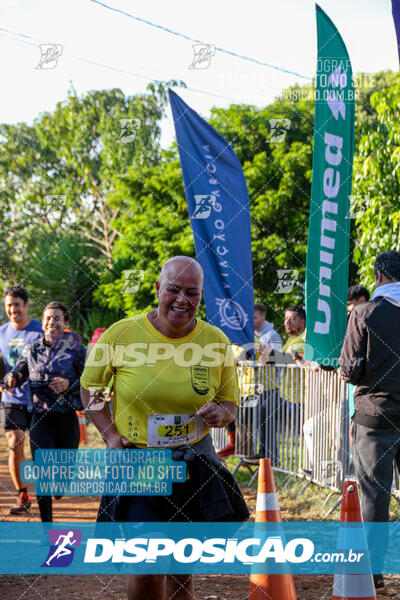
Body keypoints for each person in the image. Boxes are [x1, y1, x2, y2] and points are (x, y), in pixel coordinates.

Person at [80, 256, 249, 600]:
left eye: (192, 292)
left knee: (180, 570)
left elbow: (230, 403)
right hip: (140, 464)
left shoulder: (215, 341)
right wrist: (110, 433)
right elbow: (90, 388)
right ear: (158, 289)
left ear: (201, 297)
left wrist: (221, 414)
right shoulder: (122, 334)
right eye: (173, 289)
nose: (182, 300)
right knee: (146, 568)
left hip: (193, 465)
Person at [339, 251, 400, 593]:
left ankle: (373, 574)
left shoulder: (364, 313)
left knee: (375, 495)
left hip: (375, 417)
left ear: (378, 276)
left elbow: (349, 370)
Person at [6, 301, 86, 522]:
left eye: (57, 318)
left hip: (67, 417)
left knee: (62, 479)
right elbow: (19, 372)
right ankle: (46, 527)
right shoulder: (32, 349)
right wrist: (10, 379)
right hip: (40, 418)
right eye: (48, 318)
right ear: (42, 322)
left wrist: (69, 383)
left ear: (66, 323)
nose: (52, 322)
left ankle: (59, 487)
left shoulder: (77, 349)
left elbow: (89, 380)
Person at [0, 286, 42, 514]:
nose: (12, 309)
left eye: (16, 304)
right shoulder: (2, 333)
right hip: (11, 398)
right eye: (8, 305)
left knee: (39, 449)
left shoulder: (39, 331)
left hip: (38, 399)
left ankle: (49, 489)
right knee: (14, 443)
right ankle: (22, 495)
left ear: (26, 305)